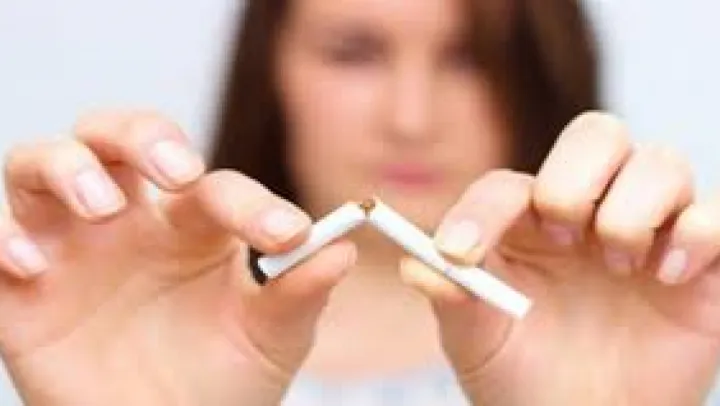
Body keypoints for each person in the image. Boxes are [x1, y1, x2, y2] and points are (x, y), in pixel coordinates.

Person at [0, 0, 719, 404]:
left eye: (469, 57)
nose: (411, 118)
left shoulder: (668, 345)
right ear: (270, 71)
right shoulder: (96, 346)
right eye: (354, 53)